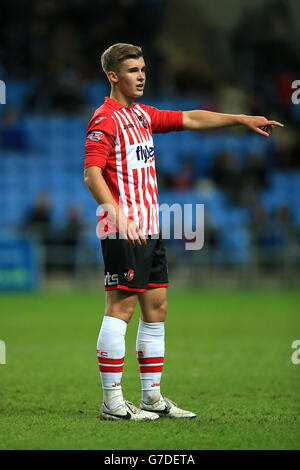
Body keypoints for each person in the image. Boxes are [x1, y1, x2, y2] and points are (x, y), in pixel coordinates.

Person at [84, 43, 283, 421]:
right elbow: (92, 173)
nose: (141, 75)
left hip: (150, 226)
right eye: (132, 70)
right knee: (121, 309)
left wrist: (240, 119)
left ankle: (152, 399)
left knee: (156, 308)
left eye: (143, 68)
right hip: (122, 226)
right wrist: (118, 214)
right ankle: (112, 403)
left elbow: (190, 118)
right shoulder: (105, 119)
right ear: (113, 76)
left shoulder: (142, 116)